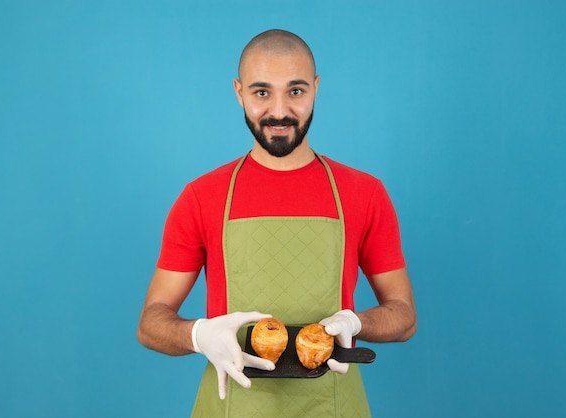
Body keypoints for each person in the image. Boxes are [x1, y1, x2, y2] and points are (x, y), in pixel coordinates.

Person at [136, 29, 417, 417]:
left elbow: (403, 315)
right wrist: (198, 335)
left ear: (316, 89)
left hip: (333, 405)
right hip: (233, 406)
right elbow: (151, 322)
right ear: (239, 93)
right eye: (262, 92)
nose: (280, 111)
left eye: (296, 91)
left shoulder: (363, 193)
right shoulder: (201, 197)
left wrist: (356, 322)